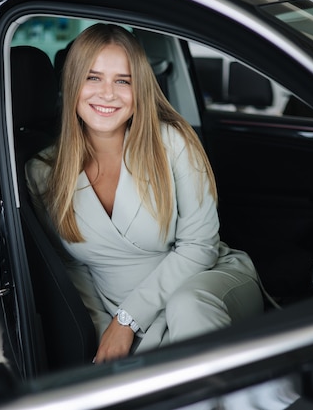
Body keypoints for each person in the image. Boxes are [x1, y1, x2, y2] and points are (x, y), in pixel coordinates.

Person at [26, 23, 263, 364]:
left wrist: (127, 320)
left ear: (140, 89)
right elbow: (71, 267)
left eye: (123, 81)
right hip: (119, 316)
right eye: (93, 78)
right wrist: (99, 333)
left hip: (204, 285)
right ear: (71, 84)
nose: (107, 93)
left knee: (188, 307)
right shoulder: (41, 172)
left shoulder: (173, 141)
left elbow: (200, 246)